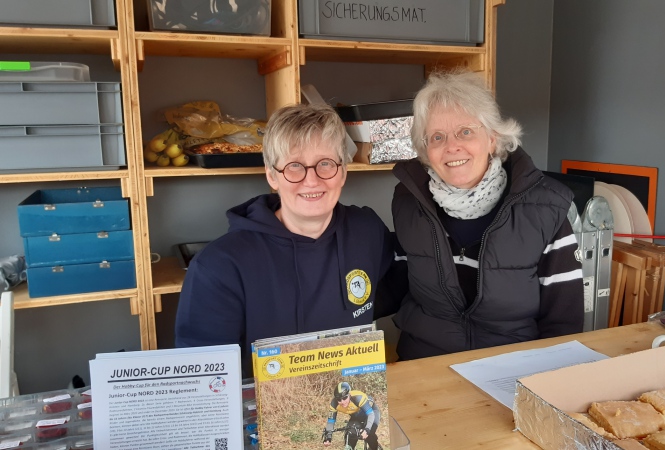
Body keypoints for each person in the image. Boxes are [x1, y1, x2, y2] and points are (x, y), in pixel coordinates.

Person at [174, 104, 395, 376]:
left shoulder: (367, 231)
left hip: (350, 396)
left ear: (343, 172)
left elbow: (409, 283)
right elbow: (205, 379)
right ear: (272, 175)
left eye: (325, 163)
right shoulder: (218, 266)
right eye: (294, 166)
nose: (311, 180)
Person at [390, 69, 584, 360]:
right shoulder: (408, 203)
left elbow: (563, 323)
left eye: (465, 132)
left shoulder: (547, 208)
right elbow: (394, 286)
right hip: (426, 363)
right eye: (437, 137)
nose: (451, 146)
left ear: (493, 139)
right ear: (426, 150)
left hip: (513, 366)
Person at [323, 381, 382, 450]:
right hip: (356, 415)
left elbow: (370, 414)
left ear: (349, 395)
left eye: (345, 398)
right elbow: (331, 421)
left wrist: (367, 429)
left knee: (370, 434)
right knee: (349, 433)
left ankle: (375, 448)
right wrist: (328, 437)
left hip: (372, 412)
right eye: (339, 399)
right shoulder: (334, 404)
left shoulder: (357, 398)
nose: (342, 402)